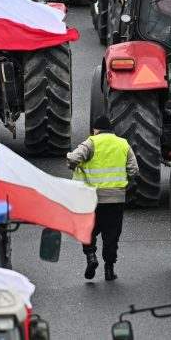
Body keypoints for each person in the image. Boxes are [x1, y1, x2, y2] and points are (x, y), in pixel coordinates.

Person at [67, 116, 138, 281]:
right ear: (111, 130)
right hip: (116, 200)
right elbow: (134, 170)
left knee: (88, 230)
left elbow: (72, 158)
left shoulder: (91, 142)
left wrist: (73, 165)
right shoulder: (123, 144)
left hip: (92, 200)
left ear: (95, 130)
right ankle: (109, 270)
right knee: (111, 236)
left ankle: (91, 257)